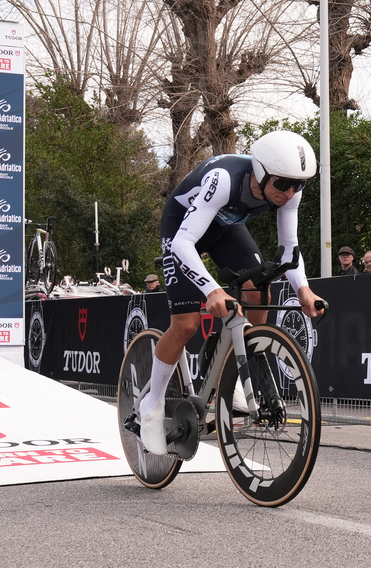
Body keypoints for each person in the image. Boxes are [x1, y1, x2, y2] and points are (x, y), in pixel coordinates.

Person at [138, 131, 325, 456]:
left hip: (224, 228)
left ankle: (232, 369)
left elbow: (288, 252)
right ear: (262, 171)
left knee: (258, 286)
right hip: (182, 230)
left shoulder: (289, 193)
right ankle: (151, 406)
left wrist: (304, 290)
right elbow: (184, 243)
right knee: (186, 325)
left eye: (299, 184)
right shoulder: (224, 179)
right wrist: (211, 289)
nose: (291, 192)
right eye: (283, 184)